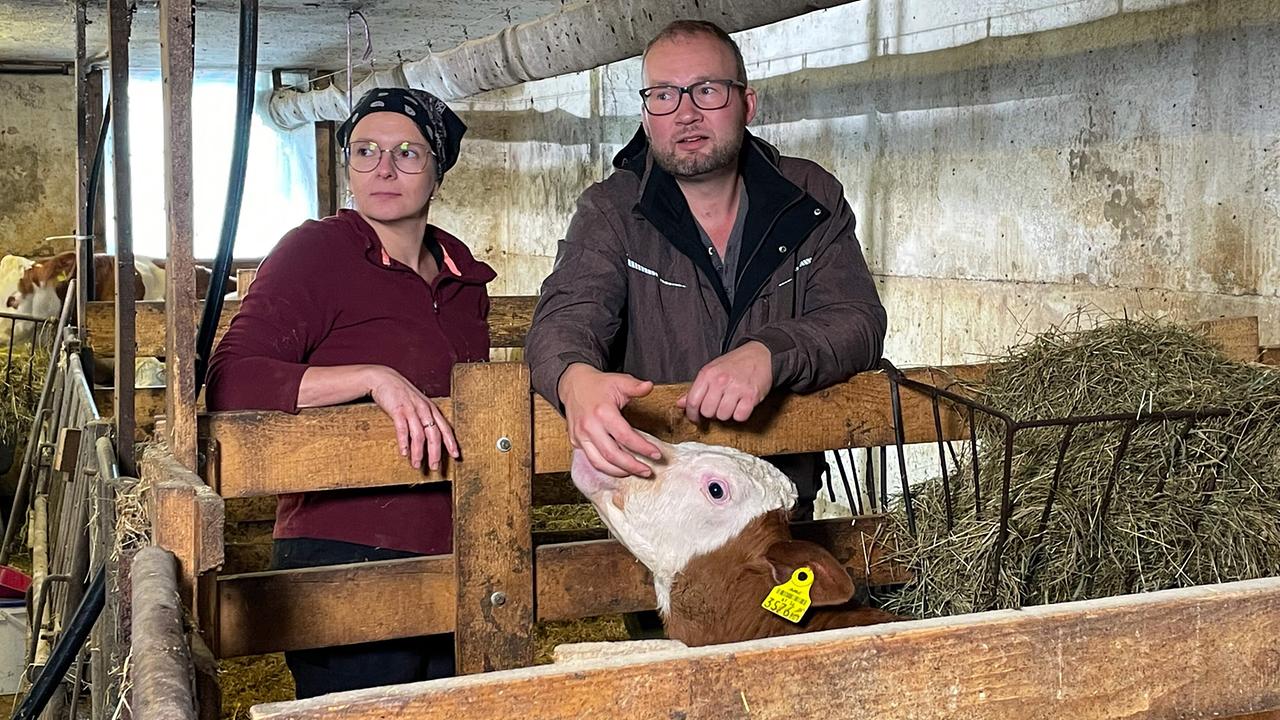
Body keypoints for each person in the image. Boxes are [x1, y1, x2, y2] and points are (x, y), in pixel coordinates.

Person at [525, 19, 887, 520]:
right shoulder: (613, 210)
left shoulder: (810, 197)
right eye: (664, 96)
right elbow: (567, 314)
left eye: (707, 90)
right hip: (662, 504)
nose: (686, 113)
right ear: (647, 114)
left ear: (747, 103)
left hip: (775, 497)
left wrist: (769, 353)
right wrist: (573, 377)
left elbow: (859, 321)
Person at [206, 87, 494, 698]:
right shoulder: (315, 252)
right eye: (365, 151)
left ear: (437, 171)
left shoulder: (464, 278)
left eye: (407, 153)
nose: (384, 169)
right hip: (340, 547)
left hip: (463, 543)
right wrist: (372, 378)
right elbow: (231, 379)